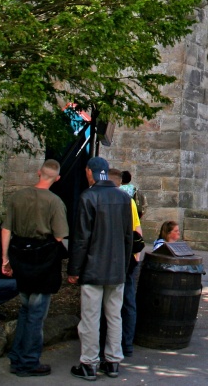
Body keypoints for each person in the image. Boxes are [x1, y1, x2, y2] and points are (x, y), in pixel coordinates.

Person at [68, 156, 134, 381]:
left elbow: (81, 238)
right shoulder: (124, 198)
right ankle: (113, 360)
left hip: (93, 268)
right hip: (116, 268)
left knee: (90, 317)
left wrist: (74, 270)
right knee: (114, 316)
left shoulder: (88, 196)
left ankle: (89, 362)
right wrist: (124, 266)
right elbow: (128, 237)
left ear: (89, 172)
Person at [1, 158, 68, 378]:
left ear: (39, 172)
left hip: (20, 254)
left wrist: (5, 258)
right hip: (43, 259)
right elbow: (59, 236)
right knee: (36, 312)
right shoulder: (55, 202)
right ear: (57, 178)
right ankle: (28, 361)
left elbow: (6, 229)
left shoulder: (17, 197)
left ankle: (16, 357)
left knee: (25, 308)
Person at [108, 168, 144, 359]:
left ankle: (108, 345)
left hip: (110, 258)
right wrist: (136, 255)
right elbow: (137, 230)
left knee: (110, 303)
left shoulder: (100, 198)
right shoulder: (128, 200)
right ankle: (126, 344)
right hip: (127, 257)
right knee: (127, 301)